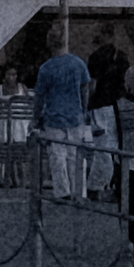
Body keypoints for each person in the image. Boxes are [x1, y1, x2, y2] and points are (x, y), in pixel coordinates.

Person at [31, 31, 94, 198]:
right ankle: (79, 191)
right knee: (76, 156)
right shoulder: (78, 63)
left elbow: (40, 96)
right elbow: (85, 89)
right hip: (75, 116)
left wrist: (36, 118)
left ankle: (62, 191)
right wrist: (84, 110)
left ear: (49, 44)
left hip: (54, 117)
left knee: (57, 156)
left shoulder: (46, 68)